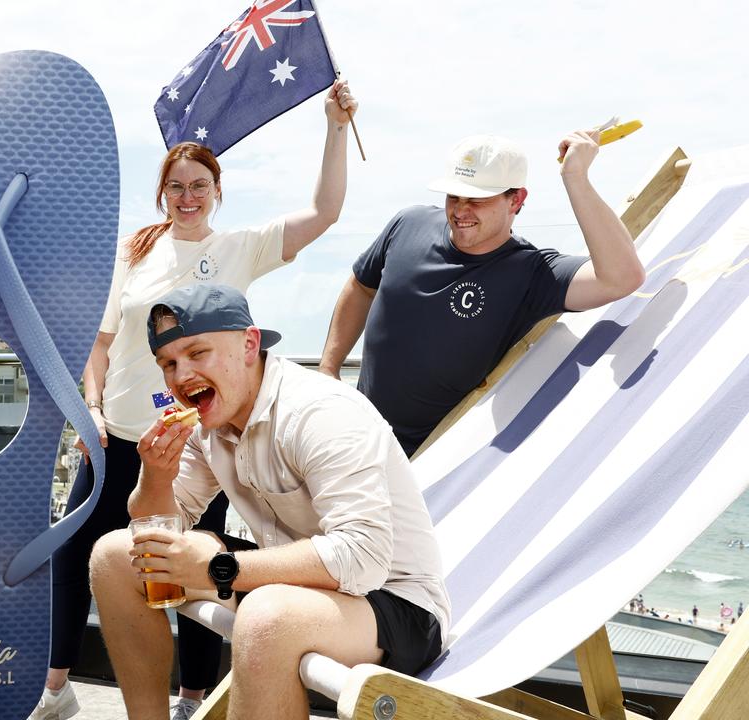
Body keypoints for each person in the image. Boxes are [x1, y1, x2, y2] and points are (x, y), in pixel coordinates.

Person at [32, 82, 360, 720]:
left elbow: (325, 211)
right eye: (176, 187)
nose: (187, 198)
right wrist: (93, 410)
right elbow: (98, 346)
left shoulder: (237, 248)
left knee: (198, 562)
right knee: (76, 556)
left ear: (217, 193)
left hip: (200, 443)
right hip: (121, 437)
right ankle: (55, 688)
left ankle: (189, 700)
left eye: (199, 187)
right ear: (163, 193)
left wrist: (336, 127)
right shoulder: (133, 251)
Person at [89, 284, 449, 720]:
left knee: (266, 615)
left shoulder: (319, 412)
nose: (181, 377)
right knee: (115, 556)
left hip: (394, 604)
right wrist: (157, 477)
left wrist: (215, 567)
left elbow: (364, 558)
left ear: (249, 343)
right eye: (168, 363)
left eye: (197, 353)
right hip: (292, 588)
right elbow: (157, 525)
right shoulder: (209, 423)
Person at [318, 132, 646, 457]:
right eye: (454, 197)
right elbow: (361, 286)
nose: (461, 210)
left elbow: (621, 278)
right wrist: (329, 369)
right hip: (352, 430)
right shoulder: (408, 223)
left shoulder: (532, 273)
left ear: (515, 200)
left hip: (427, 460)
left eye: (477, 199)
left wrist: (576, 178)